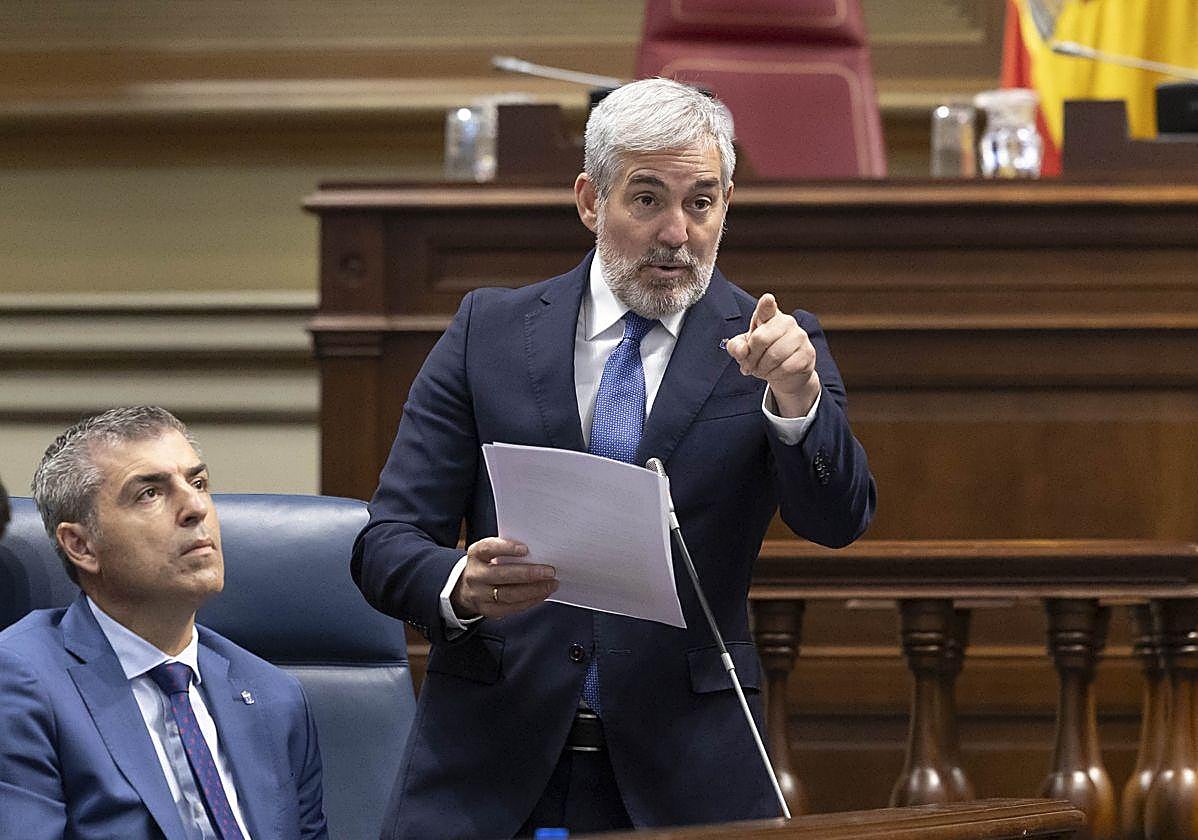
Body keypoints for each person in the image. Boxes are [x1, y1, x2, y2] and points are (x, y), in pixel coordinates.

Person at [353, 77, 876, 839]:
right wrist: (463, 584)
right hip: (489, 765)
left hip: (688, 772)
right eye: (647, 200)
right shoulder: (487, 332)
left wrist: (798, 404)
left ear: (727, 204)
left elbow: (839, 520)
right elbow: (385, 544)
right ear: (590, 201)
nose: (676, 233)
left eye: (701, 202)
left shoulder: (779, 346)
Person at [0, 406, 329, 840]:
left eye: (198, 483)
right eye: (150, 493)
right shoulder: (21, 681)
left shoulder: (275, 696)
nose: (196, 507)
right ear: (81, 545)